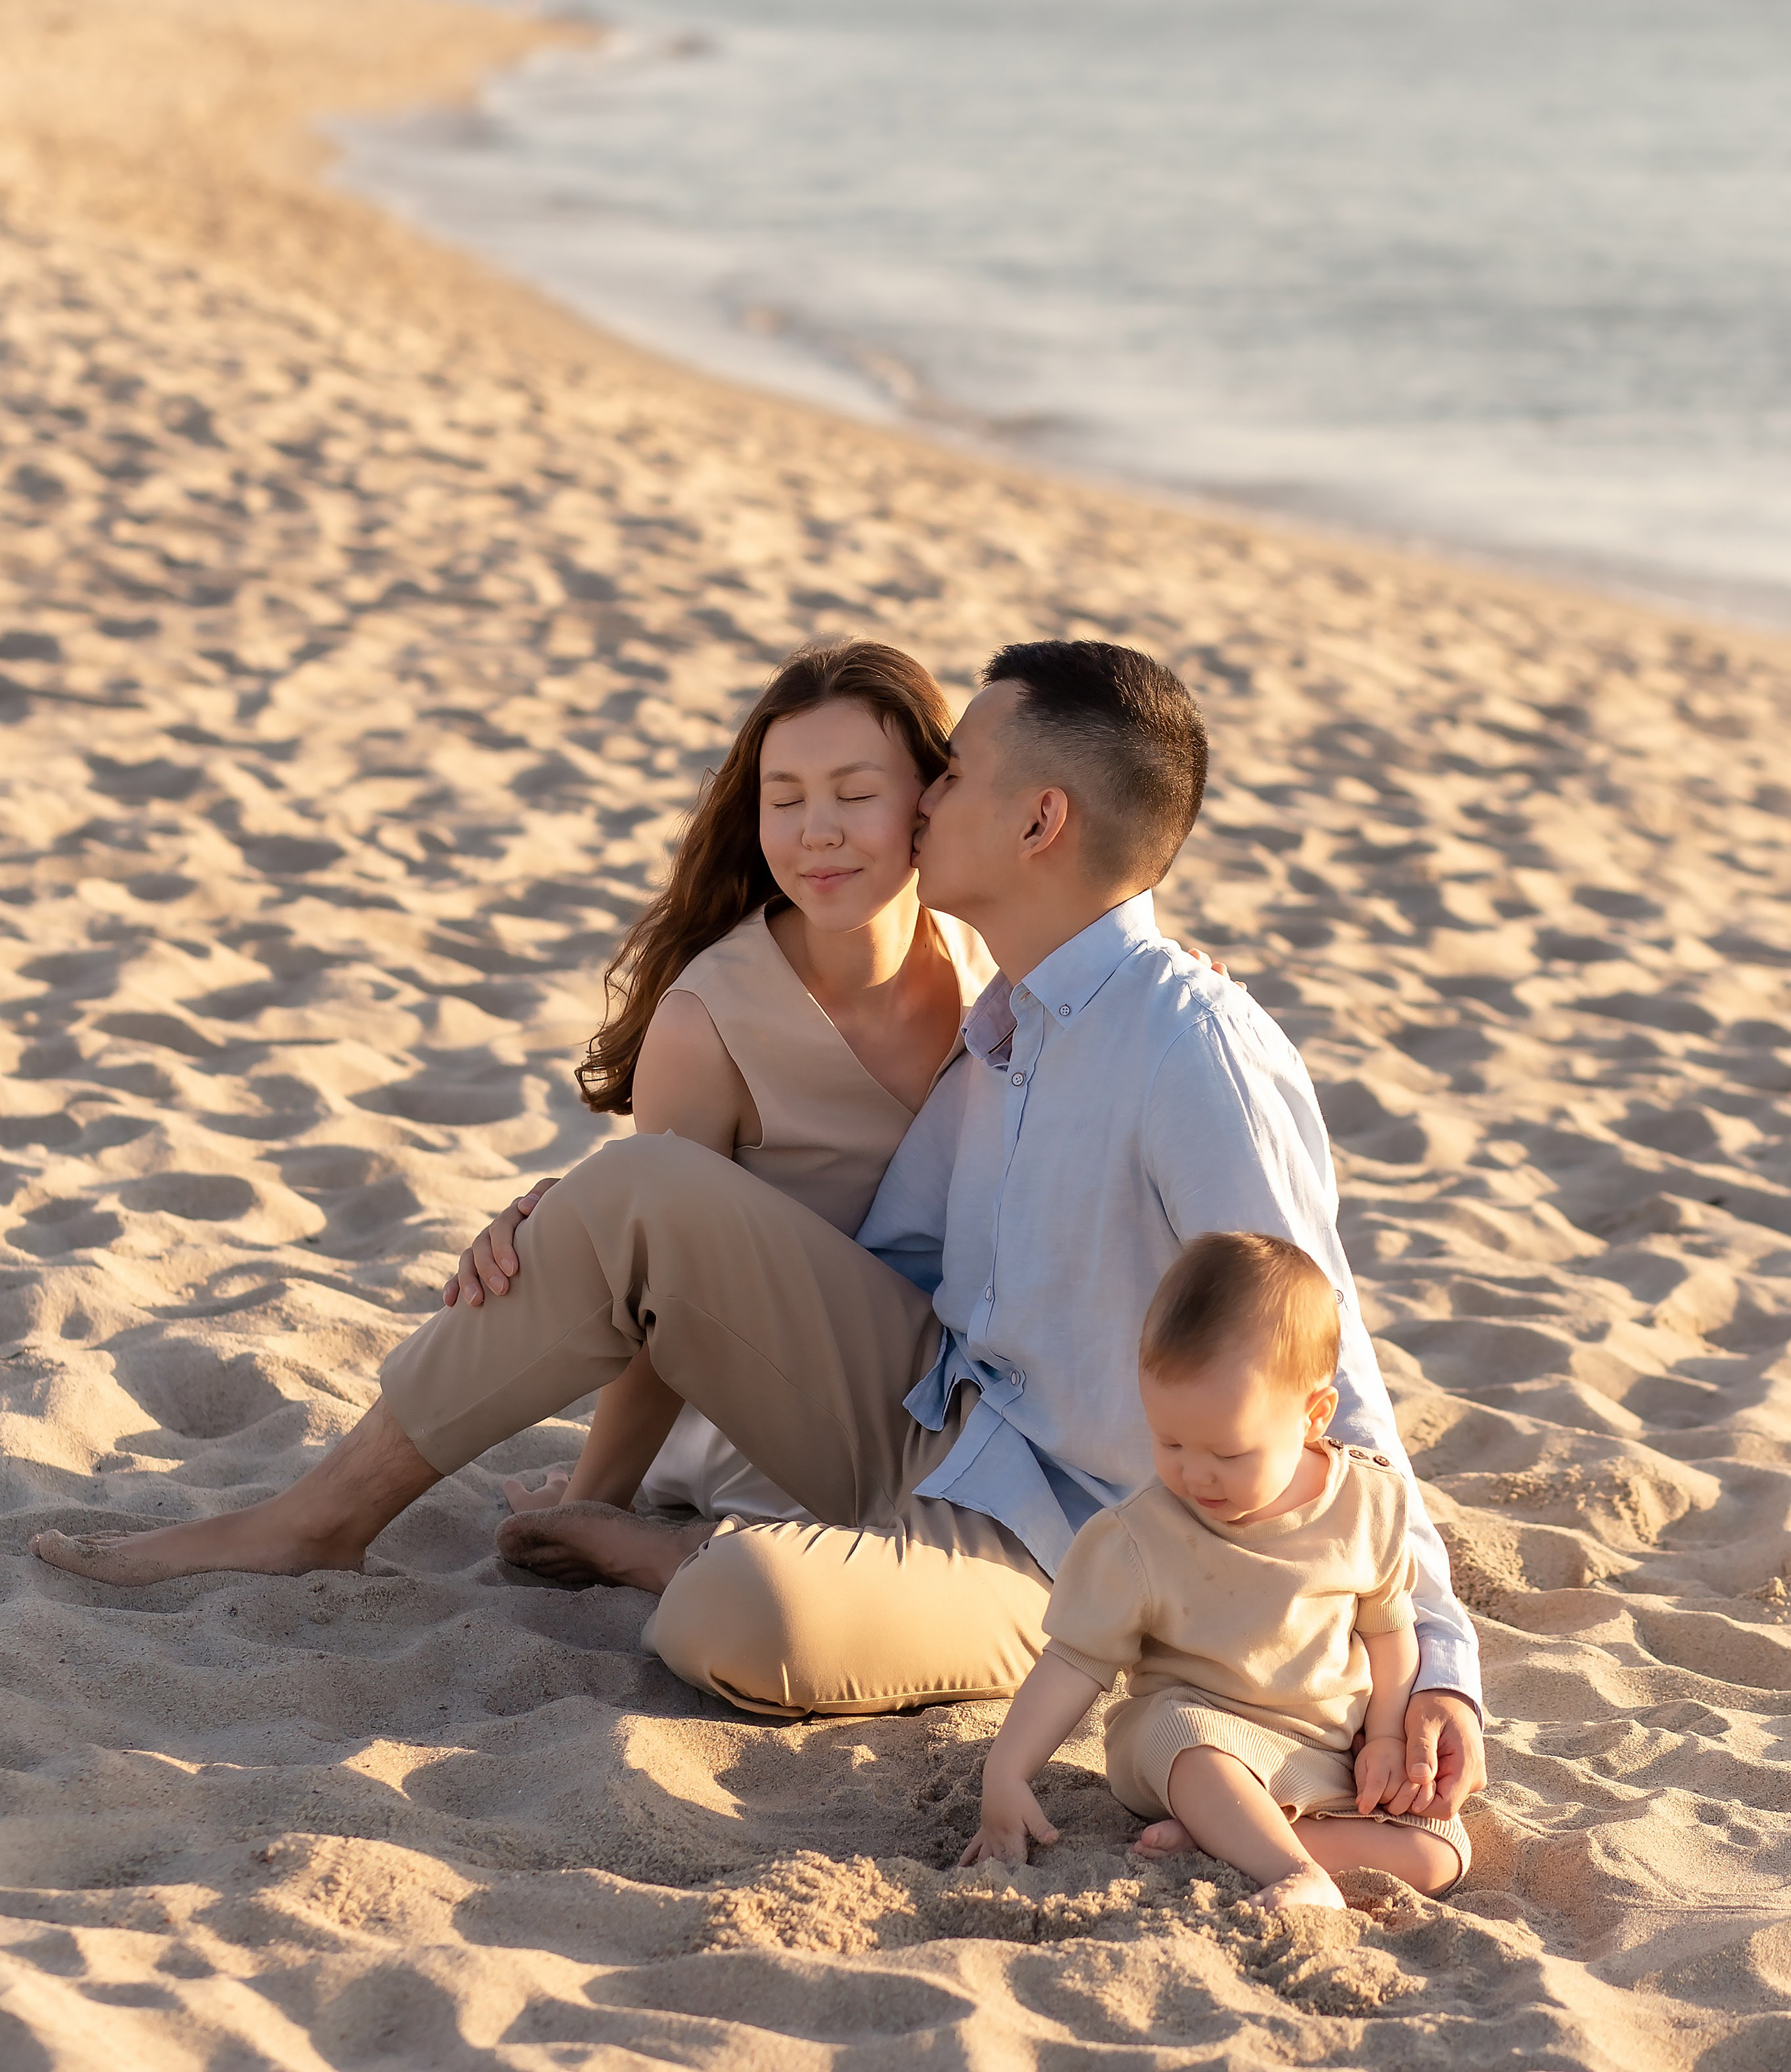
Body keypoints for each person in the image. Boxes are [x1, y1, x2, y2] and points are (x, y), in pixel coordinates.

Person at [30, 637, 1485, 1824]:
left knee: (739, 1617)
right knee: (632, 1188)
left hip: (1077, 1550)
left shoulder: (1187, 1049)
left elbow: (1327, 1371)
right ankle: (311, 1522)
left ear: (1040, 820)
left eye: (949, 777)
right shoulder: (1010, 1014)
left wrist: (1437, 1664)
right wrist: (595, 1226)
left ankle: (651, 1552)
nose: (918, 807)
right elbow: (887, 1253)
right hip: (931, 1413)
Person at [451, 637, 993, 1572]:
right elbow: (658, 1291)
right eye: (784, 800)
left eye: (855, 795)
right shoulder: (710, 1022)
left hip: (948, 1388)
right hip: (775, 1421)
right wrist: (594, 1499)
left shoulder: (989, 962)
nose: (815, 830)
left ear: (932, 797)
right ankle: (656, 1533)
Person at [961, 1232, 1471, 1908]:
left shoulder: (1369, 1502)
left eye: (1228, 1453)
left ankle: (1241, 1841)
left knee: (1441, 1851)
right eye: (1168, 1440)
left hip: (1321, 1749)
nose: (1194, 1472)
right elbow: (1073, 1661)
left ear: (1314, 1415)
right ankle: (1291, 1870)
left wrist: (1382, 1736)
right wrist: (1008, 1769)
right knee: (1191, 1740)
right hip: (1192, 1735)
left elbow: (1390, 1629)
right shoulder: (1142, 1535)